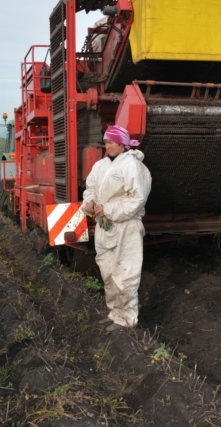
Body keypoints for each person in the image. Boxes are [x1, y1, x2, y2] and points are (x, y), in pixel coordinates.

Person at [83, 125, 152, 332]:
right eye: (105, 142)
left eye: (111, 142)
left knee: (125, 275)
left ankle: (127, 320)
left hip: (126, 227)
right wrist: (89, 203)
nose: (108, 146)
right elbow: (90, 189)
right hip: (105, 227)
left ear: (122, 143)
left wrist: (109, 209)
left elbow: (137, 199)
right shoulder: (100, 166)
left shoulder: (133, 166)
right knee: (107, 272)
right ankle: (115, 313)